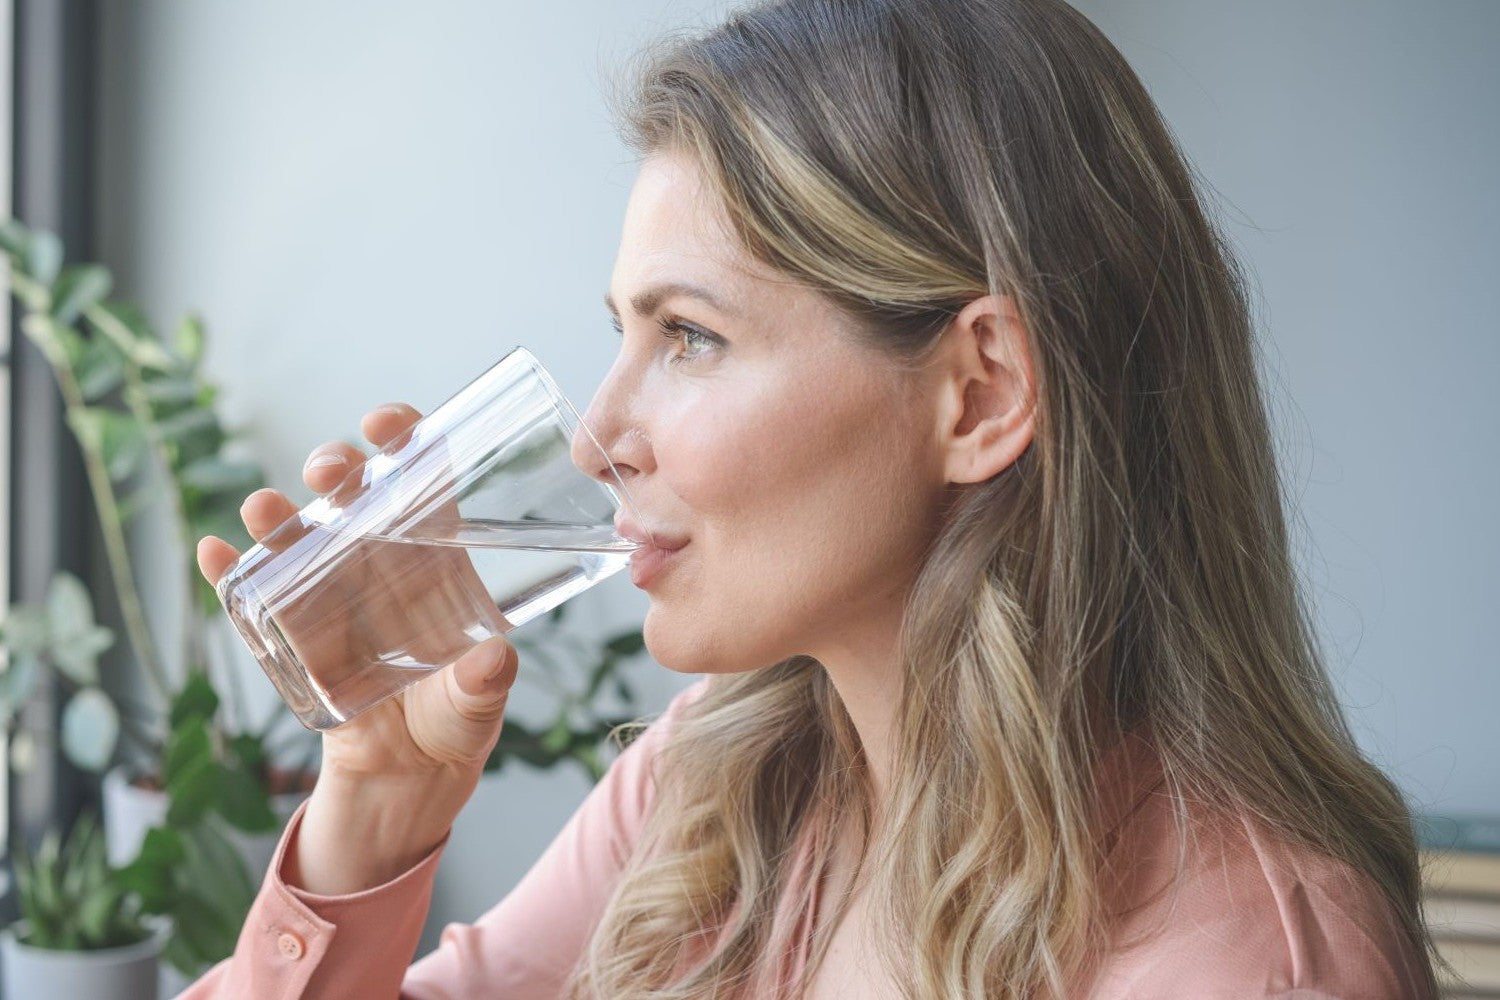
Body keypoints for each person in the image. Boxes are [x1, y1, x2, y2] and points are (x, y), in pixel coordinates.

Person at [184, 0, 1443, 996]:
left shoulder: (1243, 969)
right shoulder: (720, 784)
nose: (600, 437)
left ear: (980, 394)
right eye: (623, 333)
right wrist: (380, 804)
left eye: (689, 338)